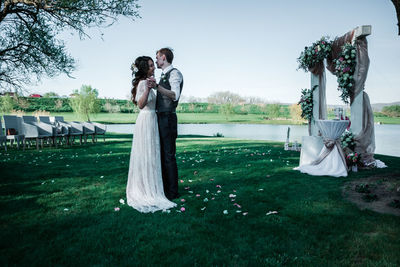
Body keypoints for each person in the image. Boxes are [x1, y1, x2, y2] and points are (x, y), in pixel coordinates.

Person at [126, 56, 177, 213]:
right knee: (145, 154)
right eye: (149, 66)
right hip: (146, 120)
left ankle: (152, 185)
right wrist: (148, 88)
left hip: (153, 120)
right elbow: (140, 104)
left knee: (152, 155)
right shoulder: (143, 83)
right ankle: (144, 190)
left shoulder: (149, 81)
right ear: (143, 68)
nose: (153, 67)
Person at [148, 48, 183, 200]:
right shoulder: (162, 75)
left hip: (168, 119)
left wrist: (157, 87)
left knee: (169, 156)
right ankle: (164, 188)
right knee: (161, 155)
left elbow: (175, 95)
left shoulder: (175, 73)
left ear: (163, 57)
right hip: (160, 118)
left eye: (157, 58)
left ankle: (173, 192)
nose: (156, 61)